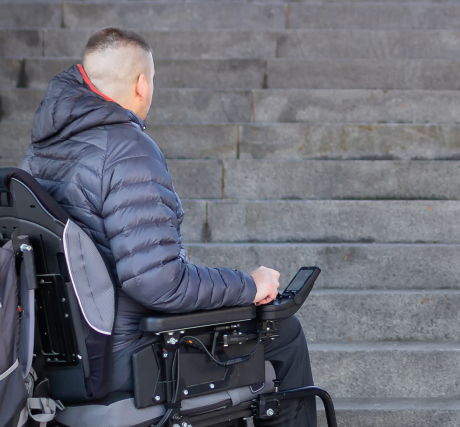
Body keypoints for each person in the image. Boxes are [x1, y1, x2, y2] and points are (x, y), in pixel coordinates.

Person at [20, 27, 316, 427]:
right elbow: (158, 283)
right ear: (142, 84)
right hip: (127, 357)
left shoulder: (41, 152)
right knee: (283, 333)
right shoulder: (126, 150)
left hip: (65, 358)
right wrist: (248, 286)